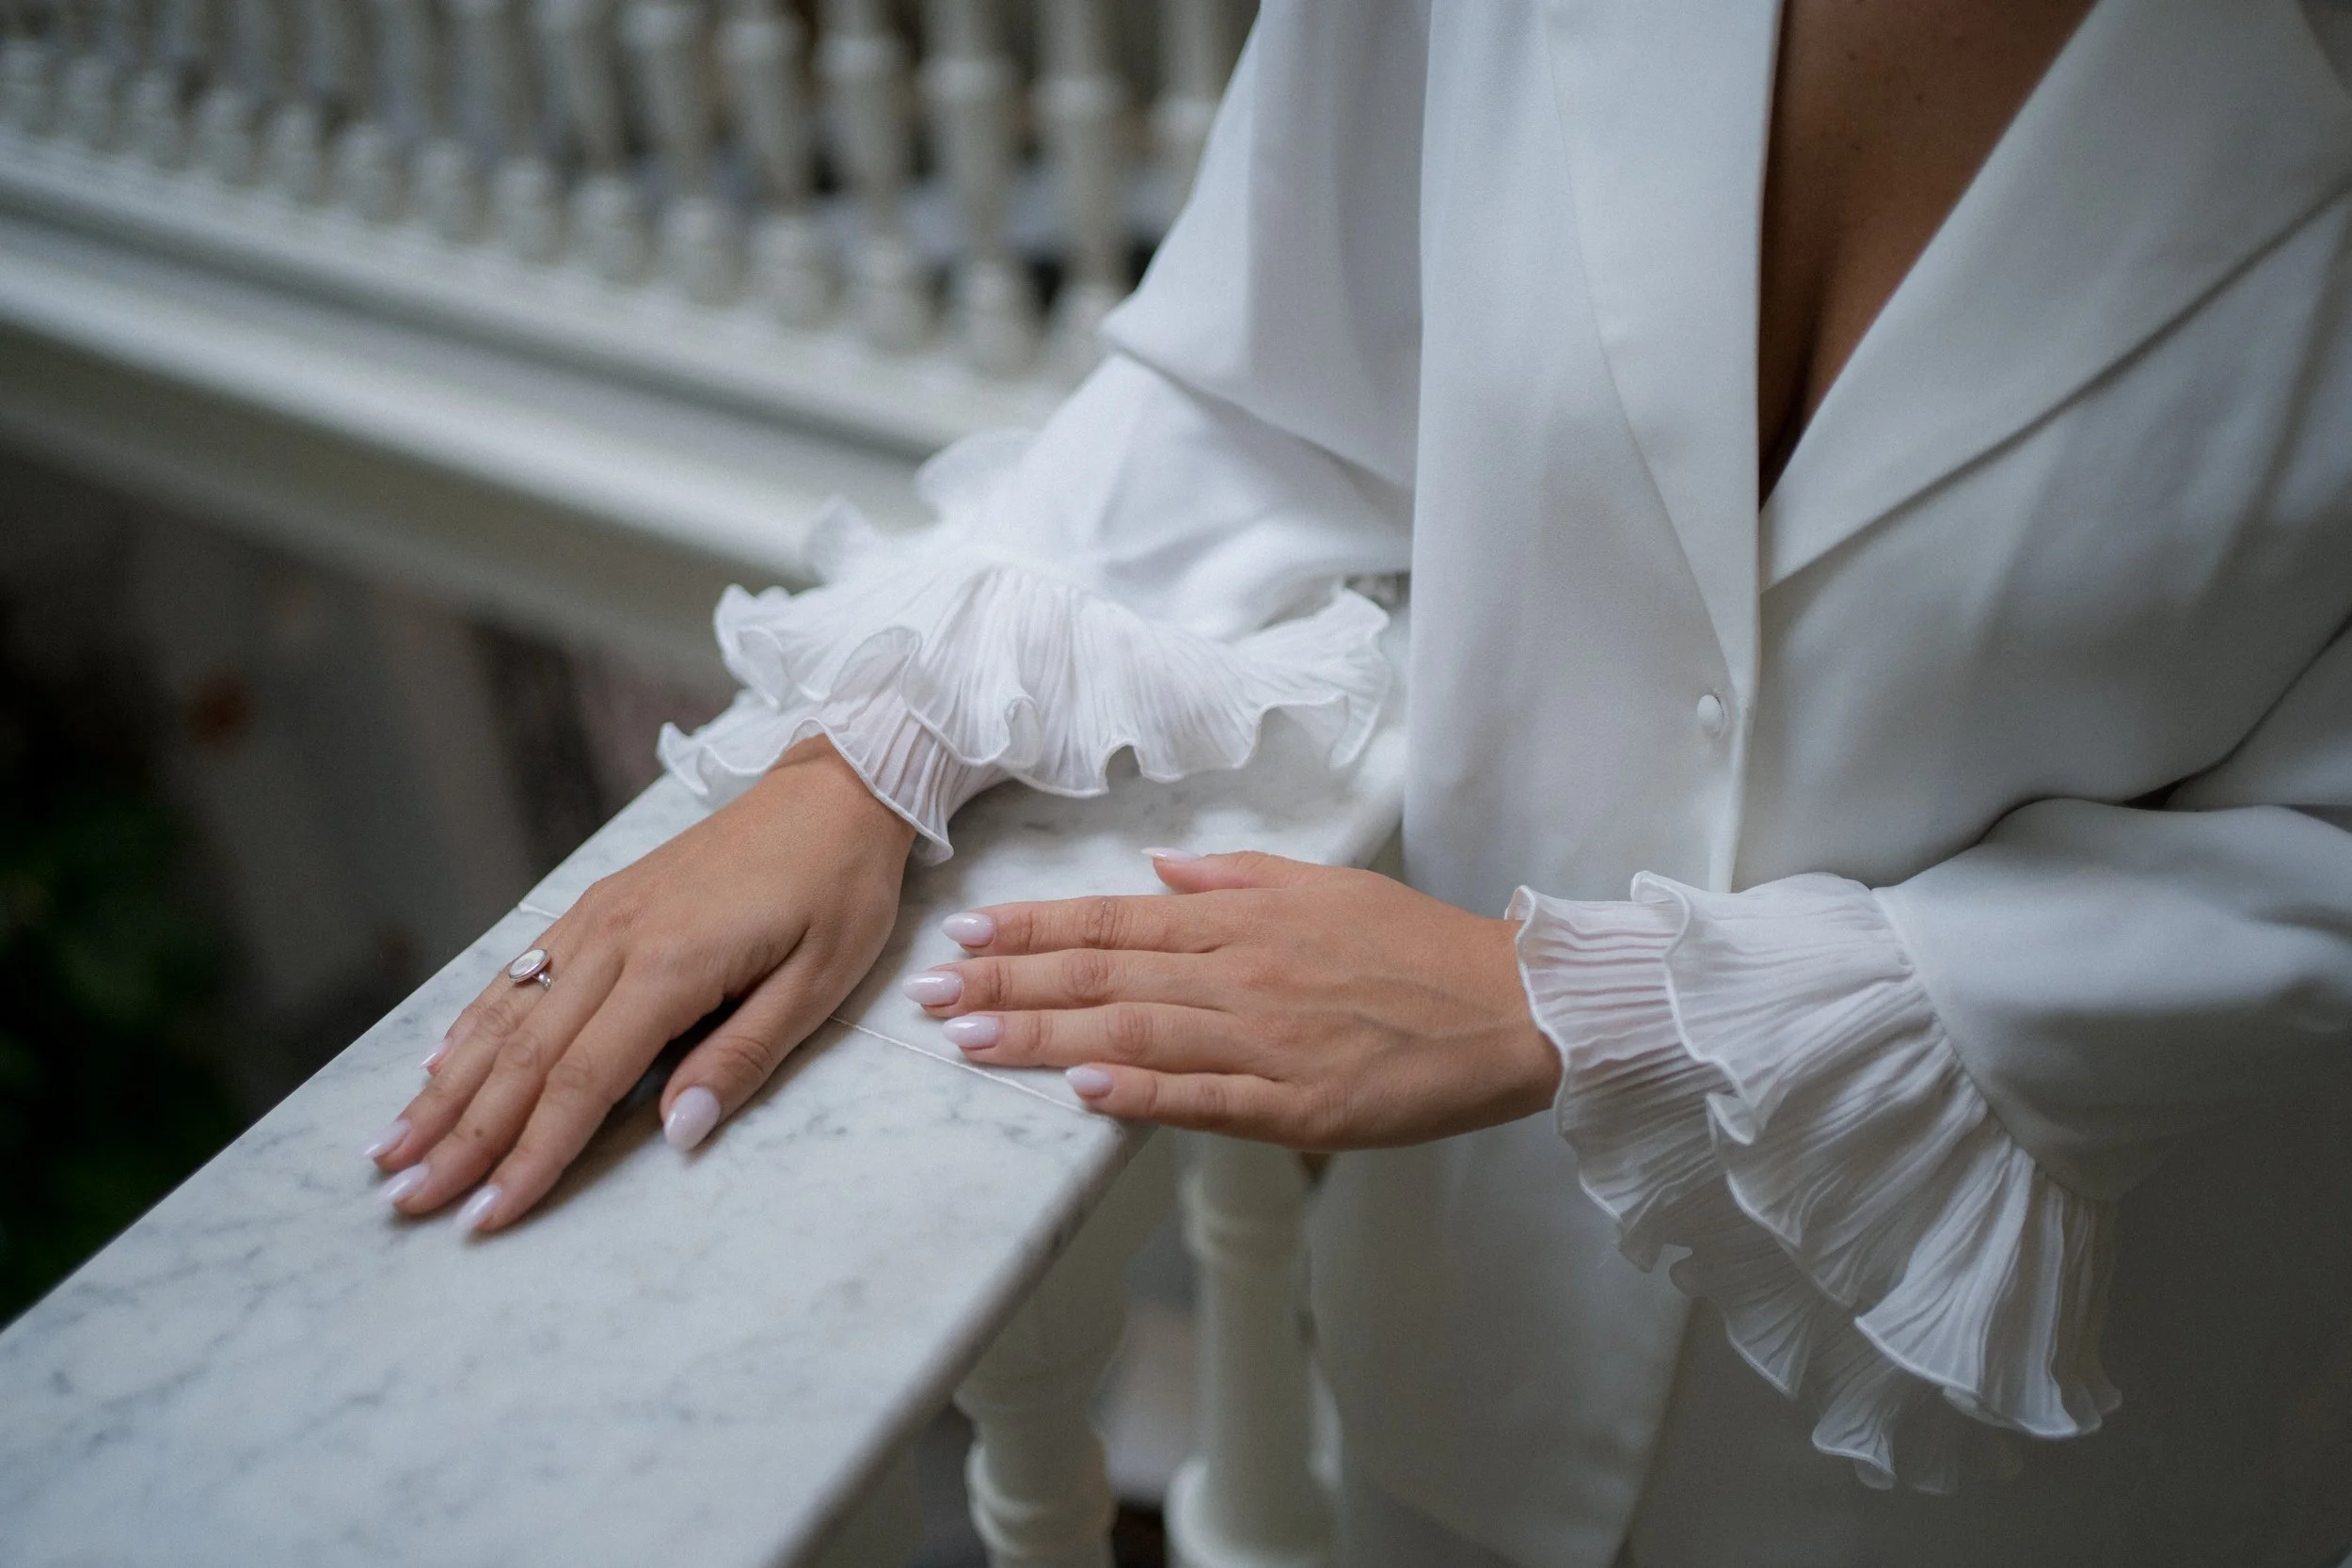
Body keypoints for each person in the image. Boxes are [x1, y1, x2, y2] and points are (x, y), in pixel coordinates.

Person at [367, 0, 2352, 1560]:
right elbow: (1249, 384)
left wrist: (1572, 1002)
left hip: (2027, 1458)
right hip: (1457, 1340)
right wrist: (861, 760)